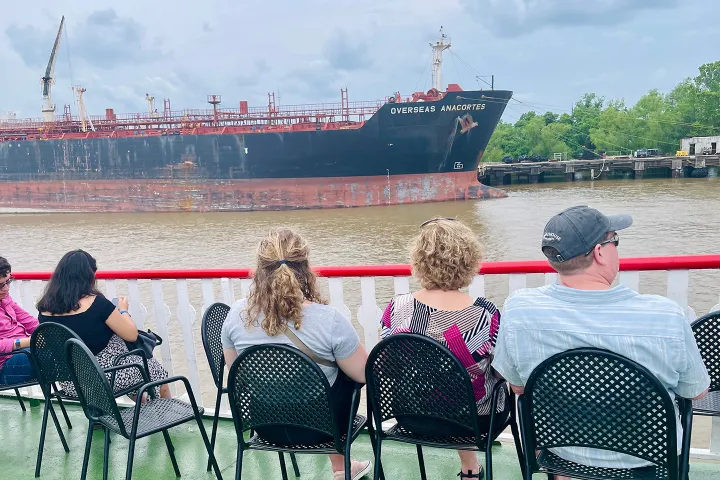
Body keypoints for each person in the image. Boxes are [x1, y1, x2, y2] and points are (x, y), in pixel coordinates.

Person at [492, 205, 710, 479]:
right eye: (615, 240)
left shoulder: (518, 309)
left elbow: (518, 386)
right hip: (648, 465)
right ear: (599, 252)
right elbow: (695, 391)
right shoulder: (665, 316)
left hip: (561, 459)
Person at [222, 227, 371, 480]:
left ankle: (341, 466)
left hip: (266, 426)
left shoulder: (236, 316)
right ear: (306, 268)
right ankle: (343, 467)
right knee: (343, 376)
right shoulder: (329, 320)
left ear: (259, 271)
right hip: (323, 430)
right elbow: (364, 373)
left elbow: (238, 373)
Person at [380, 217, 506, 480]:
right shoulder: (486, 314)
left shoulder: (396, 308)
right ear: (469, 260)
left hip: (412, 415)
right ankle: (470, 470)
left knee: (441, 382)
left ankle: (470, 466)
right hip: (472, 421)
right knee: (472, 384)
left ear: (419, 260)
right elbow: (502, 372)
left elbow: (388, 368)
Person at [36, 250, 170, 400]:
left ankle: (143, 406)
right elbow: (131, 335)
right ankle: (166, 412)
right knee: (156, 372)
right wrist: (123, 310)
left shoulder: (45, 309)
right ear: (88, 276)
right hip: (100, 379)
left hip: (71, 383)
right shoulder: (97, 304)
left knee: (129, 365)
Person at [0, 256, 38, 385]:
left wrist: (48, 332)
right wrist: (29, 341)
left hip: (22, 354)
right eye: (0, 285)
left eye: (8, 281)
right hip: (5, 367)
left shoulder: (5, 299)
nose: (6, 288)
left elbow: (28, 321)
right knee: (46, 353)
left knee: (61, 343)